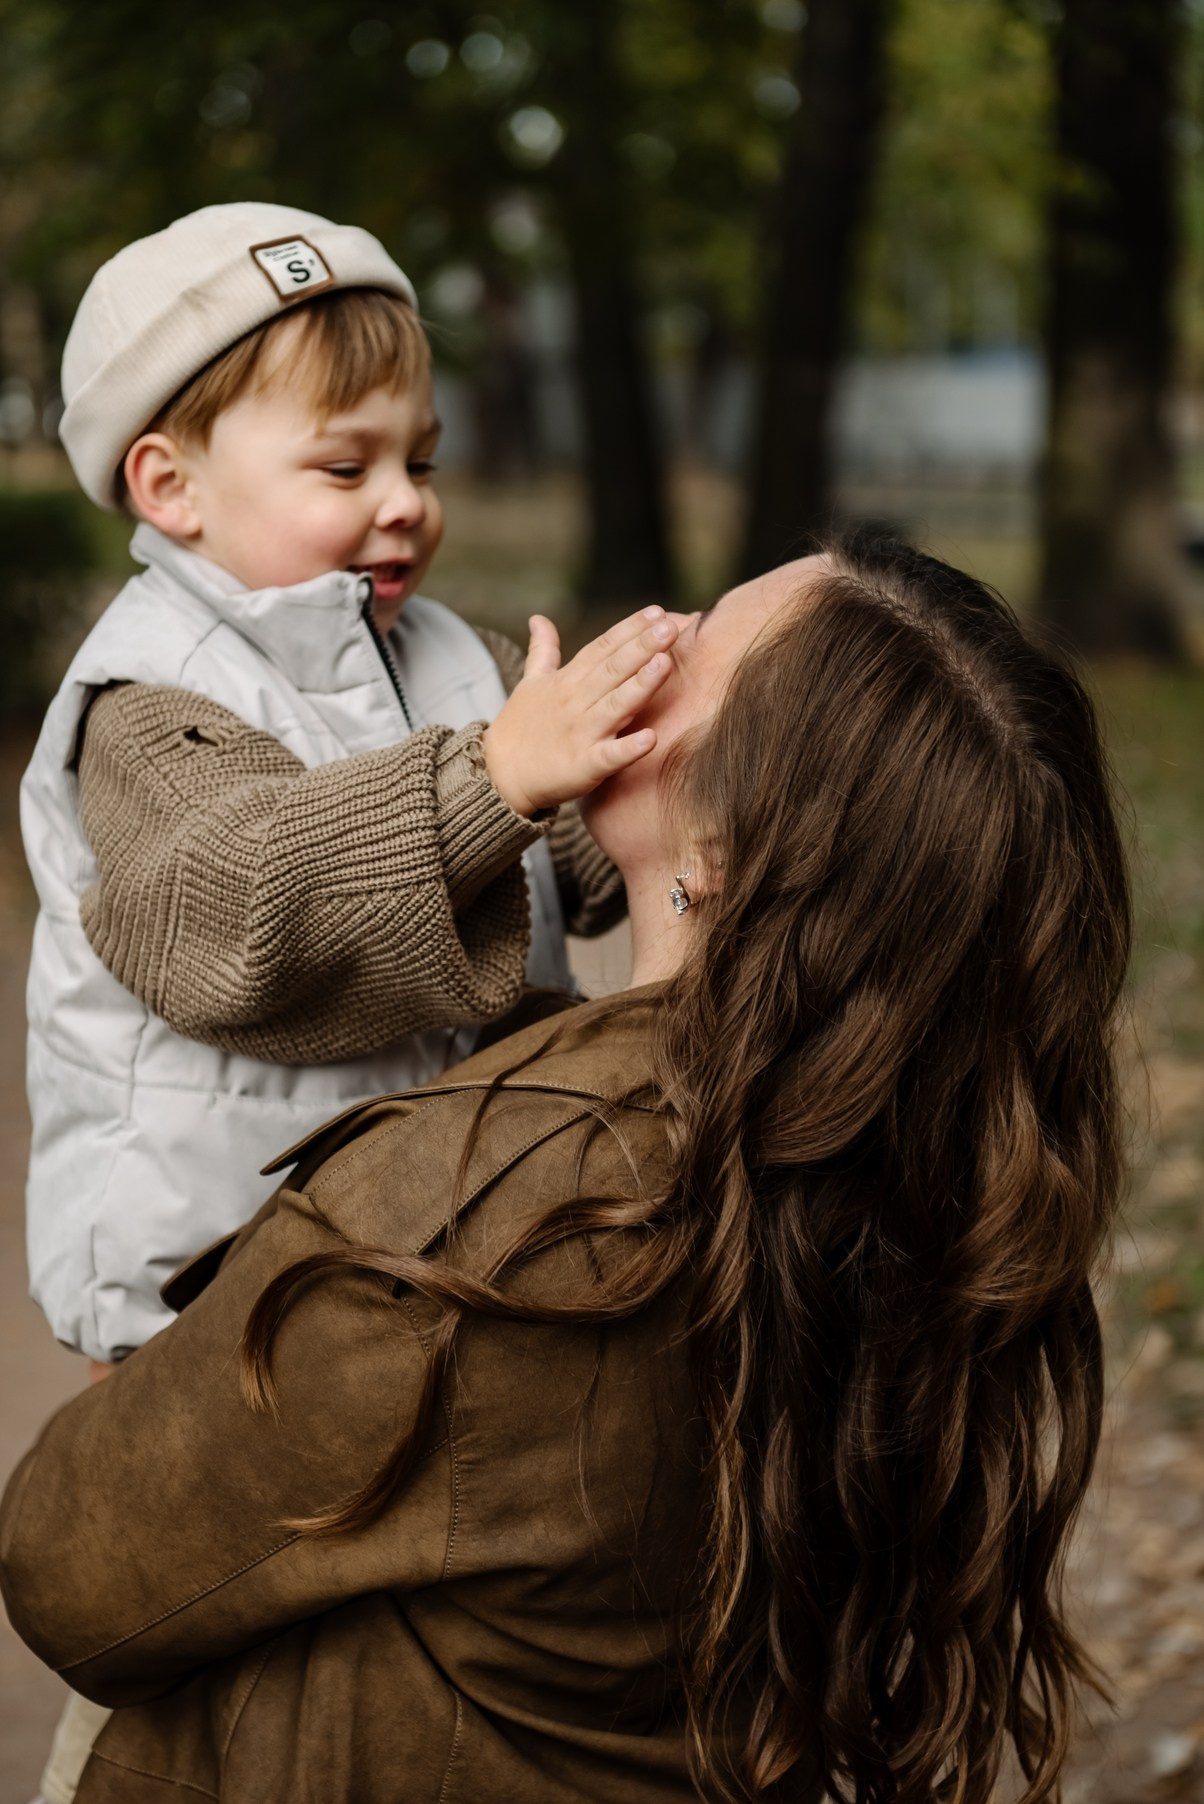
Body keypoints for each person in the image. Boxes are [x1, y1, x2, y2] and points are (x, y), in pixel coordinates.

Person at [2, 535, 1132, 1804]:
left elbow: (65, 1568)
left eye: (687, 644)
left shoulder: (503, 1198)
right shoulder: (917, 1152)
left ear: (718, 846)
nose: (644, 633)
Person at [21, 199, 679, 1804]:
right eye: (346, 467)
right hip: (203, 1266)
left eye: (424, 462)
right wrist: (494, 779)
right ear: (168, 487)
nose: (404, 506)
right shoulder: (152, 703)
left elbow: (536, 876)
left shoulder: (434, 654)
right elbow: (232, 921)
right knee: (208, 1578)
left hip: (383, 1239)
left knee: (368, 1587)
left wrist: (618, 805)